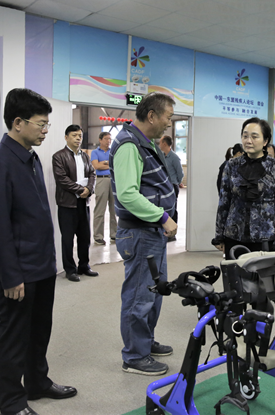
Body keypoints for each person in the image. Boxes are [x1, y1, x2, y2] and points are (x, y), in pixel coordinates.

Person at [0, 88, 77, 415]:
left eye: (47, 124)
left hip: (41, 266)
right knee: (13, 337)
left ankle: (37, 382)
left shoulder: (30, 157)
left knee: (39, 331)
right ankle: (12, 403)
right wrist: (9, 276)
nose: (46, 130)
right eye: (41, 124)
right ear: (18, 123)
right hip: (18, 272)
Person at [110, 92, 177, 376]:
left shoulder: (143, 143)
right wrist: (163, 216)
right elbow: (127, 195)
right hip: (140, 234)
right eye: (168, 117)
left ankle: (144, 342)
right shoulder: (129, 145)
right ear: (151, 116)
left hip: (151, 232)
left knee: (154, 293)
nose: (169, 123)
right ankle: (135, 356)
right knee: (139, 296)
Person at [213, 117, 275, 260]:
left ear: (265, 141)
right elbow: (224, 202)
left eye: (254, 137)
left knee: (262, 275)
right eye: (245, 136)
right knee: (234, 273)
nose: (248, 141)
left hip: (265, 238)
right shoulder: (231, 165)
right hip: (234, 236)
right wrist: (219, 235)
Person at [52, 124, 98, 282]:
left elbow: (92, 173)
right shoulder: (59, 156)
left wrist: (89, 189)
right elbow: (62, 179)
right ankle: (70, 270)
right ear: (66, 137)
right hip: (67, 204)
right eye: (74, 135)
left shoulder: (85, 156)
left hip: (84, 203)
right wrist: (80, 190)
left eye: (80, 136)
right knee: (68, 239)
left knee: (85, 237)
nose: (78, 138)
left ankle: (84, 266)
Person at [91, 131, 117, 245]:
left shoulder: (113, 151)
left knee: (114, 209)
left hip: (114, 180)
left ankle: (114, 235)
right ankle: (98, 236)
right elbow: (96, 165)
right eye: (106, 138)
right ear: (100, 140)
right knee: (100, 209)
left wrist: (104, 163)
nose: (108, 141)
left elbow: (116, 164)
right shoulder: (95, 152)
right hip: (101, 180)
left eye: (110, 139)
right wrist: (109, 163)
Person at [159, 135, 184, 242]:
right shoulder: (162, 156)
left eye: (160, 142)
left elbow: (180, 173)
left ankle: (172, 234)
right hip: (164, 186)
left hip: (172, 186)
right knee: (164, 209)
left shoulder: (174, 157)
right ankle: (165, 231)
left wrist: (176, 183)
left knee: (172, 209)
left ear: (164, 144)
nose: (159, 144)